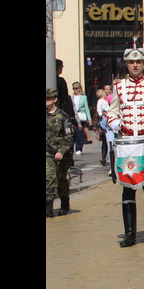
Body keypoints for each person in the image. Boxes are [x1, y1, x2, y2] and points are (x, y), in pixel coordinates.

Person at [105, 48, 144, 247]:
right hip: (127, 146)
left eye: (139, 62)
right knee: (127, 189)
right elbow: (112, 112)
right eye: (131, 62)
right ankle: (130, 234)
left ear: (143, 63)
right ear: (126, 64)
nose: (135, 65)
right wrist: (114, 122)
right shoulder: (119, 86)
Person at [47, 88, 75, 217]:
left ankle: (65, 204)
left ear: (55, 99)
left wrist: (62, 151)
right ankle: (48, 209)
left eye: (48, 99)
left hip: (60, 153)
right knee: (49, 179)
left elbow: (69, 138)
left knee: (60, 180)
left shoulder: (63, 117)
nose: (46, 101)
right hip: (48, 153)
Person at [71, 82, 92, 155]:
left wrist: (89, 119)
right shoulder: (72, 97)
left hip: (81, 116)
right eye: (73, 88)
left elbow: (86, 108)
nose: (75, 90)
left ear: (79, 88)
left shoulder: (83, 97)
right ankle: (74, 148)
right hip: (74, 116)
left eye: (76, 88)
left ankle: (79, 148)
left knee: (79, 132)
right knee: (73, 133)